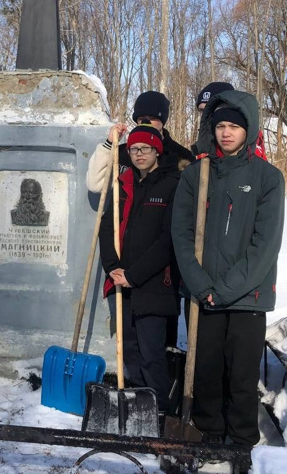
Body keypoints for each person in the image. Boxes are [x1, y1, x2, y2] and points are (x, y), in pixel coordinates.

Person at [171, 90, 285, 446]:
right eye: (220, 125)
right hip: (204, 294)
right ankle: (207, 435)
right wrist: (200, 285)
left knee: (241, 377)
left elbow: (264, 246)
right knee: (206, 372)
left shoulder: (268, 178)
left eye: (234, 126)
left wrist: (221, 291)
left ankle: (241, 443)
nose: (226, 132)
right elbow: (182, 234)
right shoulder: (197, 176)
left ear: (248, 130)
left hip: (247, 297)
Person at [98, 125, 183, 412]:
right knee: (130, 351)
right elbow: (107, 227)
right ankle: (136, 408)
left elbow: (168, 240)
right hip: (122, 282)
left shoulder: (173, 184)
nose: (139, 154)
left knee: (151, 354)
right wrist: (113, 268)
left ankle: (160, 410)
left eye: (146, 148)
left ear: (157, 150)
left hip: (155, 283)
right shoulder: (123, 183)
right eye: (134, 149)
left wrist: (134, 275)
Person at [194, 81, 267, 161]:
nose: (205, 116)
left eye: (210, 109)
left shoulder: (249, 146)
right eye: (201, 111)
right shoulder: (204, 145)